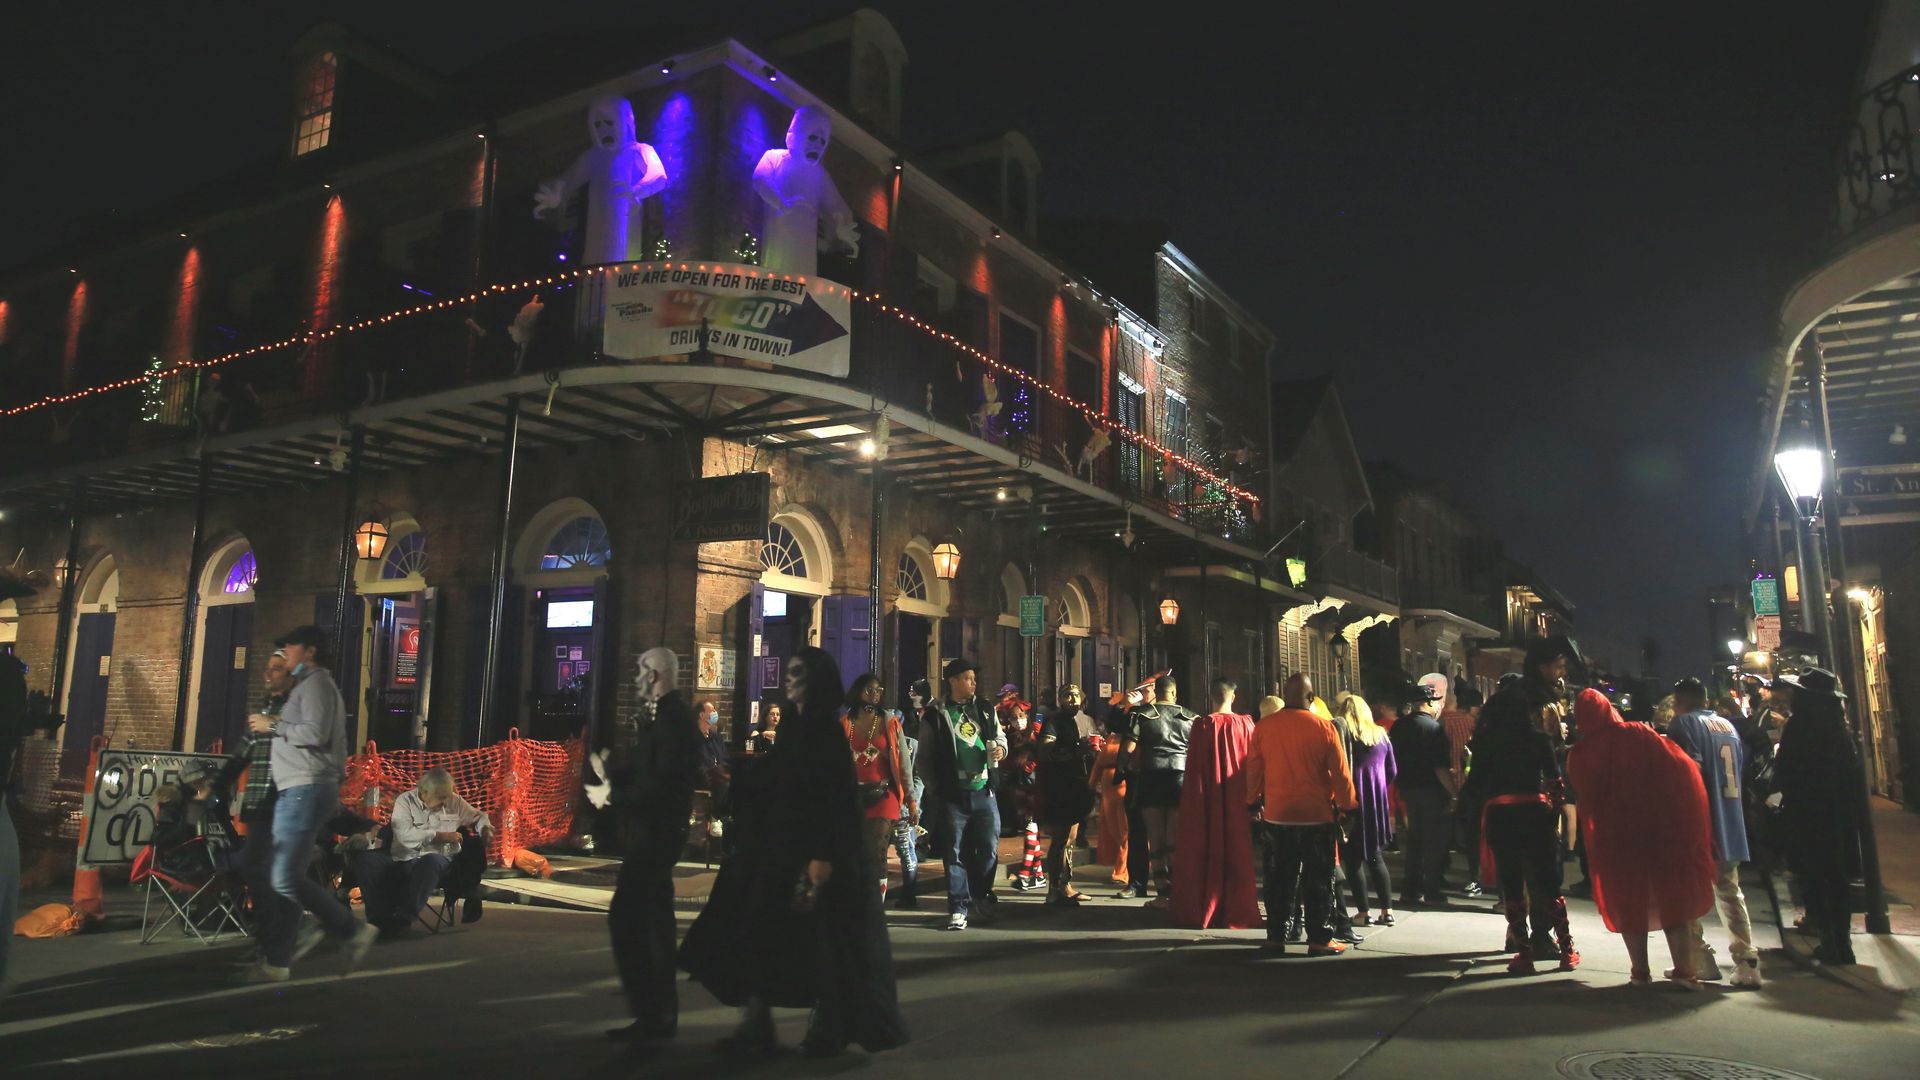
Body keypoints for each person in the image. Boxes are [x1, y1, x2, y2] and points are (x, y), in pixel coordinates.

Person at [680, 647, 909, 1058]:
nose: (790, 679)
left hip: (818, 850)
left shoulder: (825, 731)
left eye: (799, 673)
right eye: (790, 671)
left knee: (826, 944)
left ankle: (829, 1026)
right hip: (779, 847)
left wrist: (822, 855)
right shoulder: (794, 726)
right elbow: (780, 775)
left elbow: (832, 795)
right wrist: (738, 775)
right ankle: (757, 1021)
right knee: (755, 929)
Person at [238, 625, 377, 983]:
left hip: (304, 788)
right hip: (298, 789)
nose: (286, 654)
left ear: (310, 651)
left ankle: (336, 927)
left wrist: (272, 726)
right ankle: (288, 951)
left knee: (282, 875)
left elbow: (315, 733)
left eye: (291, 647)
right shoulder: (308, 687)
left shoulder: (316, 685)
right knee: (283, 874)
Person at [586, 646, 701, 1049]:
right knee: (650, 920)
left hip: (657, 833)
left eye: (640, 671)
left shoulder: (673, 721)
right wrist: (611, 776)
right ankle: (656, 1012)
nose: (636, 678)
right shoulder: (663, 719)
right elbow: (647, 773)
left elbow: (660, 785)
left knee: (631, 917)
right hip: (654, 831)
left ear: (653, 675)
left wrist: (611, 795)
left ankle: (655, 1011)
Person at [1565, 688, 1716, 988]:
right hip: (1661, 830)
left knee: (1628, 901)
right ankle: (1684, 970)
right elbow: (1681, 767)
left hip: (1616, 837)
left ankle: (1640, 971)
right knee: (1672, 898)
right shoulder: (1638, 733)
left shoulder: (1581, 754)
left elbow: (1587, 797)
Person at [1463, 689, 1576, 975]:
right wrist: (1552, 812)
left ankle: (1524, 952)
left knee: (1512, 883)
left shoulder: (1486, 741)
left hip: (1501, 814)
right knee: (1548, 883)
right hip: (1534, 812)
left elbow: (1474, 784)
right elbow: (1555, 782)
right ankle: (1566, 949)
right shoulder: (1539, 739)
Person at [1246, 677, 1358, 954]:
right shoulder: (1324, 727)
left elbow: (1254, 769)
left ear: (1285, 695)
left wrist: (1252, 802)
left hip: (1277, 815)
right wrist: (1348, 807)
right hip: (1316, 815)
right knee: (1319, 880)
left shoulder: (1265, 727)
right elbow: (1341, 773)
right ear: (1311, 697)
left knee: (1278, 879)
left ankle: (1276, 937)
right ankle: (1320, 938)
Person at [1667, 677, 1762, 987]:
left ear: (1679, 702)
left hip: (1699, 819)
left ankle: (1700, 958)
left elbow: (1687, 771)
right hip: (1730, 817)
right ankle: (1747, 961)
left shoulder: (1683, 725)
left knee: (1686, 892)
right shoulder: (1727, 726)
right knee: (1730, 891)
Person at [1773, 668, 1865, 966]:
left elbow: (1785, 770)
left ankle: (1829, 940)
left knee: (1815, 876)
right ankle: (1843, 943)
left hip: (1809, 814)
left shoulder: (1800, 726)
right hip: (1839, 815)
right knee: (1837, 879)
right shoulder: (1840, 729)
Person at [916, 659, 1006, 931]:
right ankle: (958, 906)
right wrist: (935, 789)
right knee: (954, 851)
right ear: (953, 681)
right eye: (967, 678)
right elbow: (924, 757)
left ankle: (981, 891)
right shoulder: (935, 715)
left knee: (989, 847)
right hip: (954, 794)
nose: (973, 683)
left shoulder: (985, 708)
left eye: (974, 678)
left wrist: (1001, 750)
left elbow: (1000, 737)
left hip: (984, 790)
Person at [353, 767, 492, 930]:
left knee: (431, 861)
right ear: (424, 792)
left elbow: (479, 816)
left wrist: (485, 829)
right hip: (403, 857)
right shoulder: (405, 801)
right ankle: (378, 918)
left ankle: (404, 917)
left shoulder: (454, 801)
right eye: (441, 797)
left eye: (447, 796)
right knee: (366, 860)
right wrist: (439, 836)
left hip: (439, 860)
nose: (445, 801)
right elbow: (404, 835)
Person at [1171, 678, 1259, 929]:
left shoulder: (1203, 726)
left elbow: (1196, 772)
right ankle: (1238, 906)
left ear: (1211, 697)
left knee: (1206, 849)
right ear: (1233, 697)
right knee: (1238, 851)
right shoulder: (1246, 724)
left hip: (1208, 801)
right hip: (1238, 800)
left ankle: (1204, 904)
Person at [1125, 674, 1196, 907]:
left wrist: (1126, 767)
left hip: (1151, 777)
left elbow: (1129, 748)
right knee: (1174, 837)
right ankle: (1178, 891)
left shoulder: (1142, 715)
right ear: (1174, 692)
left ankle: (1162, 892)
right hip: (1179, 778)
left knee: (1155, 836)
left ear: (1157, 692)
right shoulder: (1191, 717)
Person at [1391, 674, 1459, 907]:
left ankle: (1410, 889)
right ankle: (1432, 890)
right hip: (1431, 791)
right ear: (1429, 702)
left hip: (1408, 788)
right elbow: (1440, 767)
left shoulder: (1399, 726)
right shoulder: (1434, 729)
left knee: (1414, 841)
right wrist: (1454, 793)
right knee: (1433, 842)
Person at [844, 674, 912, 904]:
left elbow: (903, 763)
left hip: (884, 793)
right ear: (858, 692)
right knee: (857, 850)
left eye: (878, 690)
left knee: (878, 848)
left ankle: (876, 903)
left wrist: (911, 800)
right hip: (854, 795)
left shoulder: (889, 722)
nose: (875, 695)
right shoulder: (845, 722)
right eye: (869, 690)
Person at [1335, 691, 1398, 930]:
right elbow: (1392, 770)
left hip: (1353, 801)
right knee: (1375, 856)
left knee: (1353, 860)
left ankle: (1363, 912)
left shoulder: (1345, 735)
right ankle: (1387, 911)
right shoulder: (1380, 735)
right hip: (1377, 804)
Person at [1037, 684, 1100, 905]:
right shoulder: (1054, 721)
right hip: (1060, 786)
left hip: (1078, 784)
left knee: (1071, 837)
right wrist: (1074, 751)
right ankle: (1054, 888)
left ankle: (1065, 884)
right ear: (1060, 700)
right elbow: (1044, 750)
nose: (1072, 700)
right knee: (1061, 837)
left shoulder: (1081, 720)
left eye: (1076, 696)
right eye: (1067, 696)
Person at [997, 687, 1047, 891]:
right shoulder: (1010, 736)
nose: (1018, 720)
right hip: (1018, 786)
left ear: (1027, 715)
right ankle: (1038, 874)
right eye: (1014, 717)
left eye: (1020, 716)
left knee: (1030, 827)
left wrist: (1030, 765)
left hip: (1033, 786)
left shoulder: (1035, 733)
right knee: (1030, 829)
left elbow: (1043, 755)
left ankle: (1025, 874)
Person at [1446, 685, 1486, 896]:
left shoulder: (1444, 721)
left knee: (1459, 828)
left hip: (1449, 779)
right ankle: (1479, 877)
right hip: (1473, 783)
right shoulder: (1474, 725)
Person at [1091, 709, 1131, 889]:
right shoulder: (1115, 739)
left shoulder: (1117, 740)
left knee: (1122, 831)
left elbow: (1098, 764)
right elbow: (1099, 764)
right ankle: (1122, 867)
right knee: (1117, 830)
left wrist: (1092, 784)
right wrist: (1092, 784)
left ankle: (1121, 871)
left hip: (1120, 787)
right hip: (1111, 789)